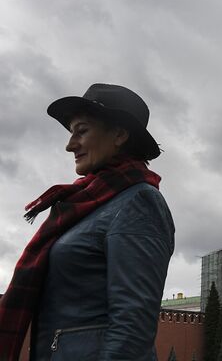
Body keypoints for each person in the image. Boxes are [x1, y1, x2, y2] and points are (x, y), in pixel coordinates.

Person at [0, 83, 175, 360]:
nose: (70, 145)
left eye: (81, 131)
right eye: (71, 133)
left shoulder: (139, 202)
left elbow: (133, 328)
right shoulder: (87, 205)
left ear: (119, 134)